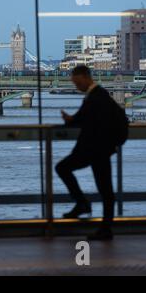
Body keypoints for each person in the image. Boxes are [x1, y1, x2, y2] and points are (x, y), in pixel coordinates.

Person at [56, 65, 118, 241]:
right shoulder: (99, 95)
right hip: (99, 149)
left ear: (84, 77)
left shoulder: (96, 96)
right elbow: (86, 117)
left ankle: (84, 206)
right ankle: (102, 224)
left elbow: (85, 118)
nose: (76, 87)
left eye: (77, 83)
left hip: (94, 149)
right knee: (105, 188)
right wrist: (72, 119)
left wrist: (71, 120)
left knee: (63, 168)